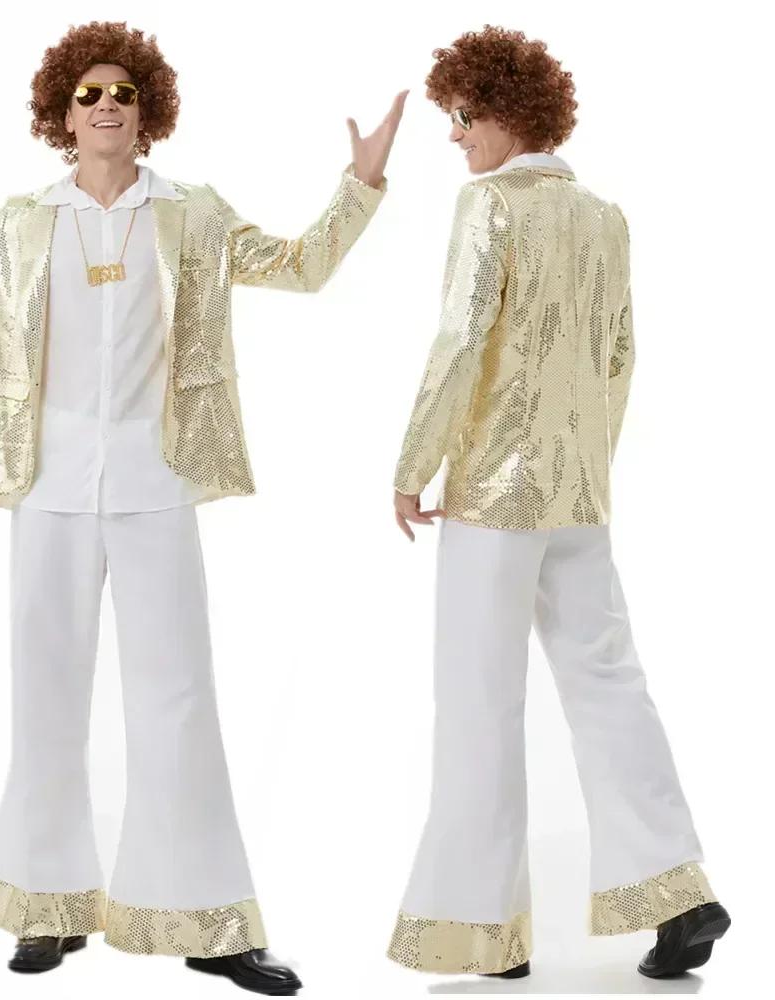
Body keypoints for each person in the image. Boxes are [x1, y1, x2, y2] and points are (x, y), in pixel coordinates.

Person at [0, 19, 402, 995]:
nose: (105, 105)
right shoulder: (24, 221)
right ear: (61, 114)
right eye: (87, 93)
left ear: (149, 114)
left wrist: (363, 183)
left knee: (177, 698)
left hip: (155, 481)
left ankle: (209, 922)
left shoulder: (192, 213)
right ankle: (47, 906)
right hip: (48, 486)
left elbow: (301, 267)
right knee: (45, 696)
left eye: (123, 93)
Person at [387, 24, 730, 981]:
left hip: (493, 499)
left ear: (508, 113)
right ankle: (678, 893)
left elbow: (461, 339)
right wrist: (588, 469)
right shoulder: (604, 217)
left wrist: (413, 465)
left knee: (479, 702)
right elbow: (621, 355)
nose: (455, 134)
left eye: (464, 115)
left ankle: (484, 932)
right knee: (610, 684)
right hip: (579, 494)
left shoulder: (490, 206)